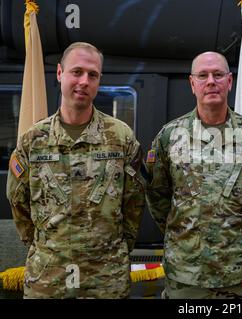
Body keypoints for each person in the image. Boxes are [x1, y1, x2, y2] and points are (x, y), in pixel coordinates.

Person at [6, 42, 145, 298]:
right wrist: (49, 247)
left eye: (92, 75)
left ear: (99, 80)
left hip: (106, 279)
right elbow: (18, 204)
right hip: (48, 280)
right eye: (76, 71)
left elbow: (134, 203)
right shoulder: (32, 140)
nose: (84, 81)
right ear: (60, 73)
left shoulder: (120, 137)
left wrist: (112, 249)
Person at [145, 51, 242, 299]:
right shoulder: (169, 136)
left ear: (229, 82)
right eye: (203, 75)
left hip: (240, 274)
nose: (211, 81)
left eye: (218, 75)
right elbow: (157, 196)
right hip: (186, 275)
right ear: (192, 83)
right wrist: (184, 234)